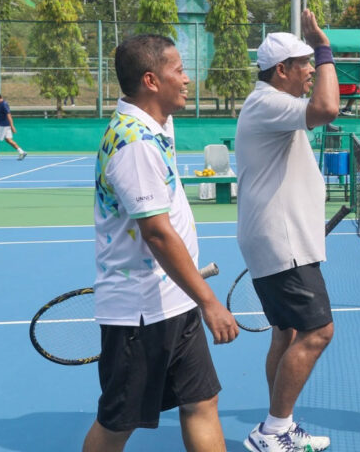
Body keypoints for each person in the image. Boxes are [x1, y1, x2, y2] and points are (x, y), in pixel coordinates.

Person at [83, 34, 239, 452]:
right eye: (179, 70)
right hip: (141, 313)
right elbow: (155, 232)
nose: (187, 79)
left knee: (202, 401)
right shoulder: (134, 144)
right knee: (118, 423)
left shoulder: (155, 122)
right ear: (151, 80)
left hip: (175, 300)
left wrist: (193, 298)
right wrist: (209, 301)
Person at [235, 9, 338, 452]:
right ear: (282, 71)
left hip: (281, 239)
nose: (311, 69)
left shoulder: (269, 103)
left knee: (287, 332)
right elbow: (328, 107)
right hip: (283, 243)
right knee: (319, 331)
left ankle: (281, 424)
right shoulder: (268, 101)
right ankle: (272, 432)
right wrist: (324, 45)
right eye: (305, 64)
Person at [0, 92, 26, 161]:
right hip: (4, 125)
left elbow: (9, 115)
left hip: (4, 125)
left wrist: (12, 126)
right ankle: (22, 152)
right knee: (8, 140)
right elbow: (0, 114)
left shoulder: (4, 104)